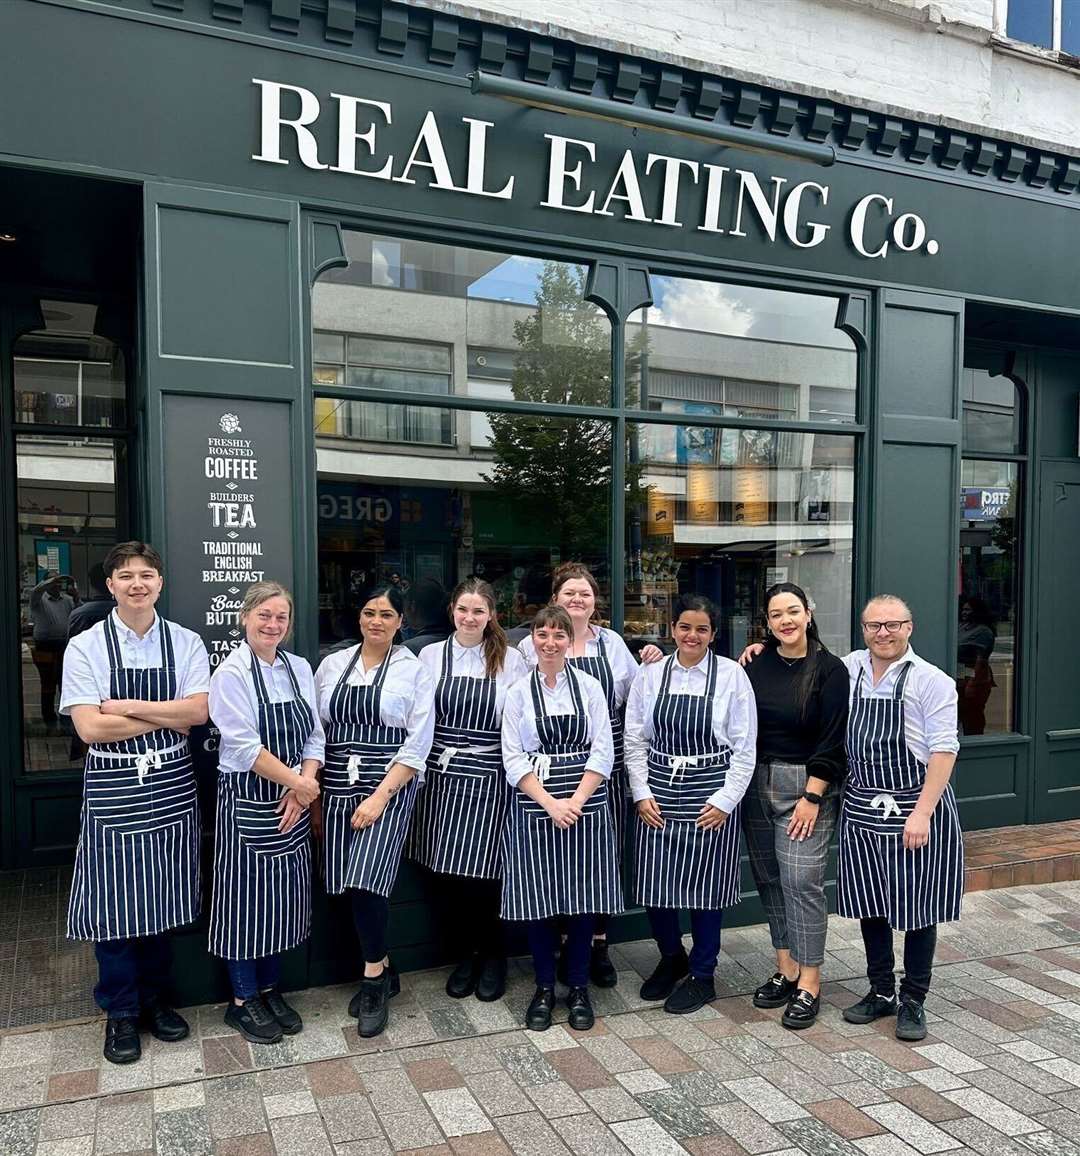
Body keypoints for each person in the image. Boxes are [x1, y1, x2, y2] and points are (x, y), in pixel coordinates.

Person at [60, 542, 209, 1065]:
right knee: (115, 905)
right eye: (127, 576)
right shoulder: (86, 647)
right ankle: (121, 1011)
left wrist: (125, 706)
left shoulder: (187, 641)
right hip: (114, 784)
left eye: (147, 575)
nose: (138, 584)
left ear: (161, 584)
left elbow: (198, 714)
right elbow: (90, 727)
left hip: (171, 781)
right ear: (111, 585)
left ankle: (157, 1001)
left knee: (164, 898)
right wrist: (164, 714)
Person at [518, 563, 661, 987]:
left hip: (605, 767)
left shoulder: (612, 643)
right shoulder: (534, 646)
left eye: (585, 594)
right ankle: (563, 946)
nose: (577, 600)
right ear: (554, 600)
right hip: (548, 769)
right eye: (569, 593)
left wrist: (654, 657)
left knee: (599, 860)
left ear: (595, 601)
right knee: (553, 864)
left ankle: (598, 944)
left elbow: (640, 696)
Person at [838, 595, 962, 1041]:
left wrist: (922, 813)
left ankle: (914, 999)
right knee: (870, 904)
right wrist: (756, 651)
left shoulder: (932, 681)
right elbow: (802, 660)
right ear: (863, 629)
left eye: (892, 625)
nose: (883, 633)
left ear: (910, 627)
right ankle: (880, 990)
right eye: (874, 625)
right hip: (862, 807)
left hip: (914, 807)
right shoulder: (848, 667)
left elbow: (944, 751)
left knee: (917, 906)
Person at [625, 594, 756, 1015]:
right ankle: (670, 957)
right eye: (684, 627)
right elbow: (634, 740)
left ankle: (703, 974)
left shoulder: (733, 676)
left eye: (701, 629)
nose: (692, 635)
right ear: (672, 629)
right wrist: (641, 793)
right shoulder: (651, 675)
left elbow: (744, 747)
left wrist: (725, 800)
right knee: (655, 885)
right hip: (659, 788)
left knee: (706, 889)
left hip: (710, 789)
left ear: (713, 634)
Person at [314, 585, 434, 1039]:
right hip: (339, 782)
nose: (377, 621)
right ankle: (384, 963)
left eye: (386, 614)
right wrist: (318, 796)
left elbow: (419, 740)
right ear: (358, 617)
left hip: (390, 783)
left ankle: (372, 980)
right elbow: (316, 731)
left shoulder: (413, 669)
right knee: (344, 882)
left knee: (367, 881)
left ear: (401, 621)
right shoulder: (332, 664)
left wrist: (381, 795)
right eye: (369, 612)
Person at [208, 581, 324, 1046]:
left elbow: (314, 735)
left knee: (279, 901)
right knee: (243, 903)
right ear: (245, 617)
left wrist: (303, 788)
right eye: (265, 616)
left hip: (292, 802)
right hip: (247, 801)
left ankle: (270, 990)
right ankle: (242, 1001)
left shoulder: (298, 668)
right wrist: (297, 783)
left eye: (281, 618)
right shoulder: (230, 673)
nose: (273, 625)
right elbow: (242, 746)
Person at [409, 578, 528, 1002]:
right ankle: (467, 954)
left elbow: (521, 719)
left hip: (490, 776)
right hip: (442, 778)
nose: (470, 618)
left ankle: (493, 955)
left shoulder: (511, 660)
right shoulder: (430, 655)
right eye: (463, 610)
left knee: (487, 876)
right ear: (452, 612)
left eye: (479, 611)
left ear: (492, 615)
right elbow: (420, 717)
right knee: (450, 875)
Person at [502, 605, 619, 1032]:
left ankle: (579, 986)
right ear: (531, 638)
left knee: (584, 899)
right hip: (536, 804)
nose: (550, 642)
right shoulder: (517, 691)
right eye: (542, 634)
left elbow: (603, 750)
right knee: (538, 902)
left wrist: (577, 799)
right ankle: (545, 986)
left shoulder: (589, 687)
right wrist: (551, 803)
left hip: (586, 804)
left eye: (558, 635)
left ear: (571, 641)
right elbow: (512, 758)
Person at [741, 583, 848, 1030]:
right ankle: (785, 967)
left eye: (792, 611)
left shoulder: (830, 669)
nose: (785, 620)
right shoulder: (754, 665)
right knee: (770, 879)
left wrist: (812, 795)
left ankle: (810, 981)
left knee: (801, 881)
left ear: (809, 613)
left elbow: (834, 738)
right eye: (776, 615)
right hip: (755, 784)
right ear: (766, 623)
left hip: (806, 787)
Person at [29, 572, 76, 728]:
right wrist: (51, 580)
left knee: (66, 682)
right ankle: (48, 716)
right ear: (47, 583)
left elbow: (79, 611)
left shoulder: (67, 600)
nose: (57, 585)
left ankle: (66, 716)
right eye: (53, 582)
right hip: (45, 644)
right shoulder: (38, 601)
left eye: (58, 582)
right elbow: (36, 591)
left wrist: (75, 594)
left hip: (64, 643)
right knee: (48, 681)